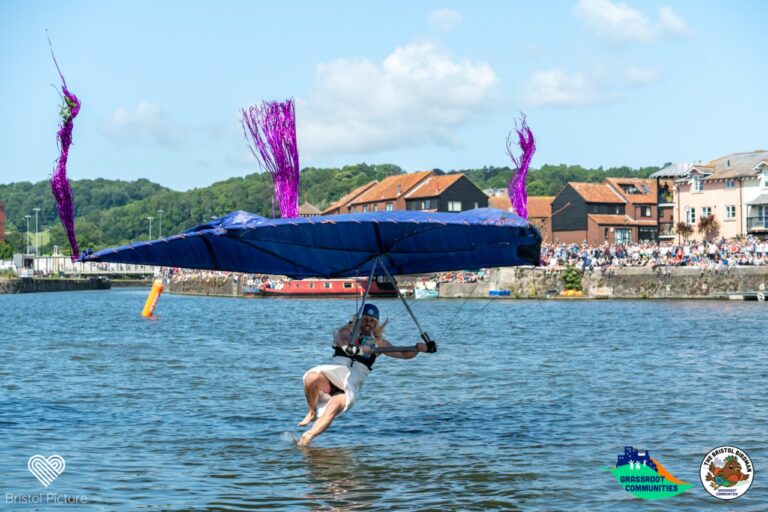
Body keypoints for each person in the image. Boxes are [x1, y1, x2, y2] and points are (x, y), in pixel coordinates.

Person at [297, 303, 430, 447]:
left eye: (372, 321)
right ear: (358, 319)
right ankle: (312, 411)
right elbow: (344, 341)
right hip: (332, 375)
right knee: (311, 377)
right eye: (365, 319)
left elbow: (403, 354)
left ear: (376, 324)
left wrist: (419, 349)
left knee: (333, 407)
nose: (368, 323)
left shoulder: (379, 343)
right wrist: (359, 349)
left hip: (350, 385)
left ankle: (308, 436)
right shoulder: (345, 332)